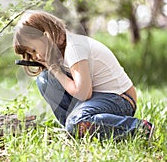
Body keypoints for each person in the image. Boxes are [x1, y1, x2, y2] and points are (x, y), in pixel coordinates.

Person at [13, 10, 155, 140]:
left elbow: (83, 94)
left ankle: (139, 128)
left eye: (34, 49)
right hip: (98, 98)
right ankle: (74, 131)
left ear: (45, 36)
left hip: (120, 99)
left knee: (76, 121)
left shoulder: (75, 48)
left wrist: (55, 69)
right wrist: (52, 69)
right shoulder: (60, 52)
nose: (35, 56)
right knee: (45, 79)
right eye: (30, 54)